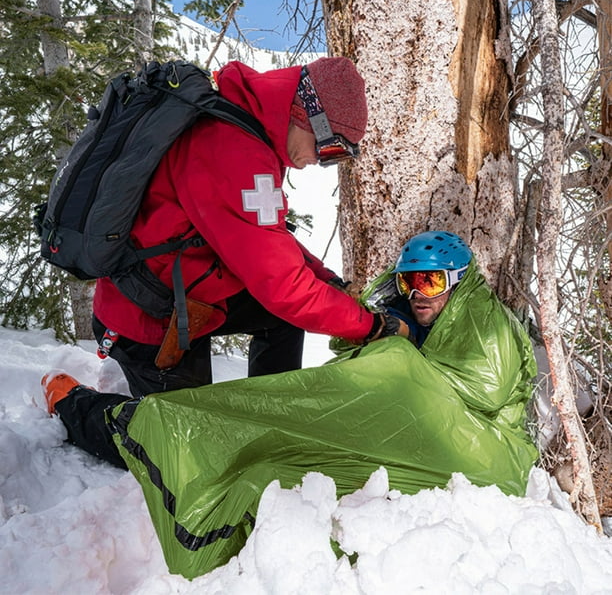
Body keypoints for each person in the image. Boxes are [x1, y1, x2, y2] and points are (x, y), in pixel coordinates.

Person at [51, 230, 537, 578]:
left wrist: (401, 354)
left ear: (459, 283)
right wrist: (391, 334)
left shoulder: (483, 327)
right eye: (409, 284)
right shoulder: (400, 317)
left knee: (227, 433)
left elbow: (484, 389)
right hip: (146, 329)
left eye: (431, 283)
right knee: (191, 425)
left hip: (464, 438)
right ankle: (77, 406)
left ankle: (84, 407)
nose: (418, 295)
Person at [41, 57, 410, 468]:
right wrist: (369, 325)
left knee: (279, 320)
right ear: (304, 114)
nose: (321, 162)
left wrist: (328, 282)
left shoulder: (249, 136)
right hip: (149, 318)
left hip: (194, 300)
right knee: (182, 453)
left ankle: (272, 422)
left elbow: (269, 240)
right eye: (331, 148)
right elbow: (282, 286)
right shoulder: (232, 151)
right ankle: (72, 404)